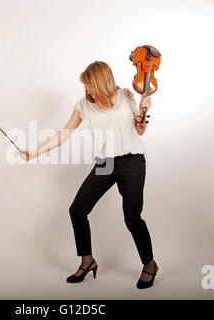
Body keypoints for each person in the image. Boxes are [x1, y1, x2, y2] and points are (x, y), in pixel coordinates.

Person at [18, 61, 158, 289]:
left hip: (133, 161)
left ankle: (149, 264)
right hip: (105, 163)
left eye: (90, 86)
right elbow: (65, 133)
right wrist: (36, 152)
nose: (88, 91)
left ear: (101, 82)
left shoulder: (126, 95)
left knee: (132, 217)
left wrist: (143, 110)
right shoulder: (83, 105)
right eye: (86, 87)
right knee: (77, 210)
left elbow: (140, 129)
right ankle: (87, 260)